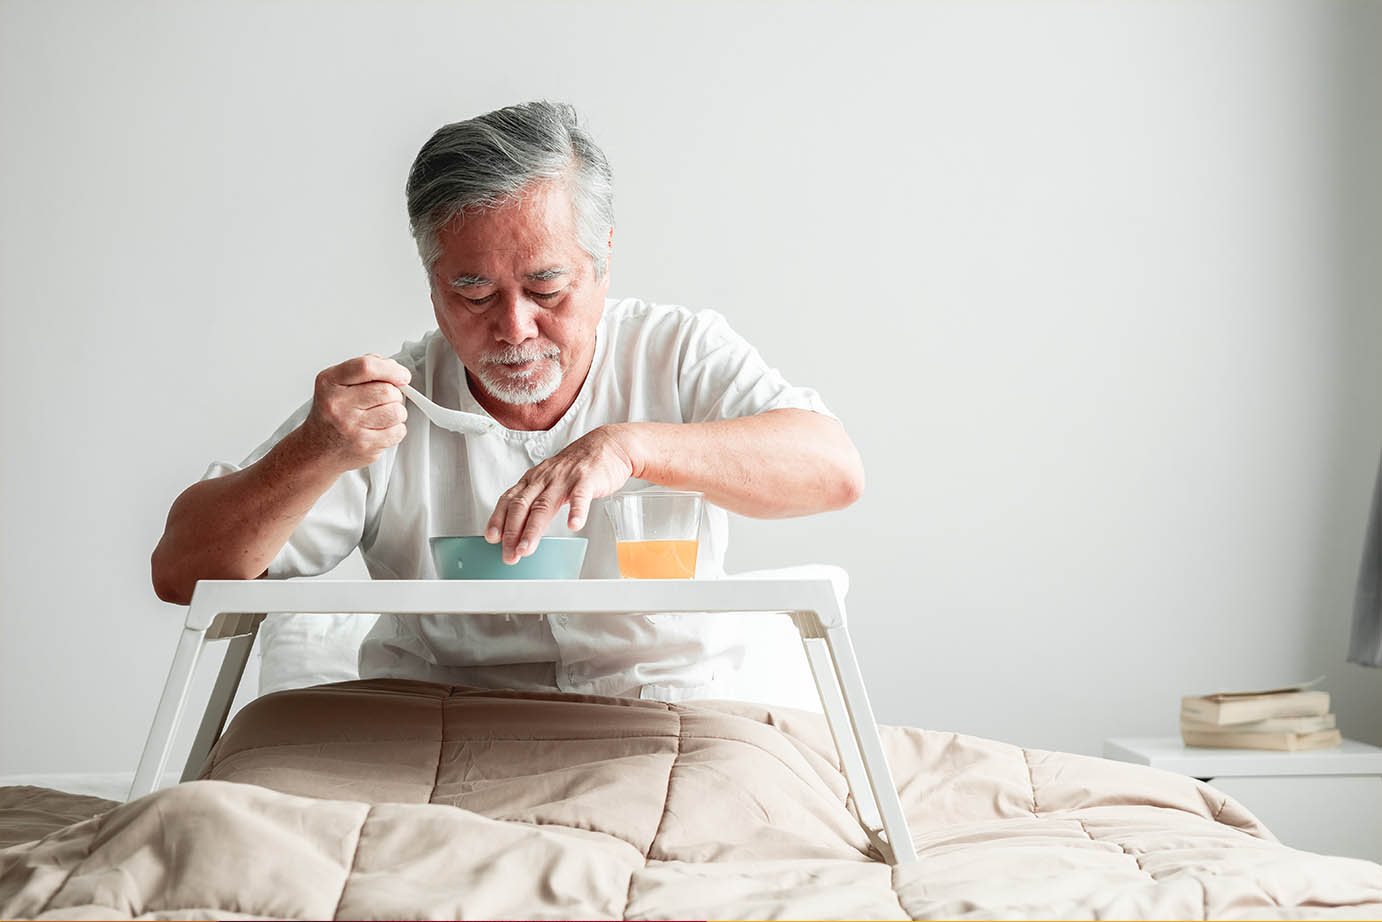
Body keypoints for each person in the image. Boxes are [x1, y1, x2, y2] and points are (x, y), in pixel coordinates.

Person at [150, 100, 864, 703]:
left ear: (604, 259)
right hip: (435, 718)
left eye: (547, 290)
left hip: (661, 712)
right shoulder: (387, 405)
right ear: (432, 281)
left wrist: (633, 446)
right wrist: (312, 451)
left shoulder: (678, 351)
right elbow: (181, 574)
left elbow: (833, 471)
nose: (515, 328)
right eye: (474, 293)